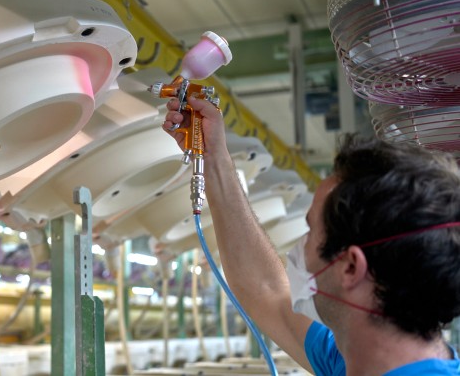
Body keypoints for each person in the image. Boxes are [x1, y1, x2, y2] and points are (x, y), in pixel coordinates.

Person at [163, 96, 460, 375]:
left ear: (351, 267)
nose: (299, 249)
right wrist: (213, 158)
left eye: (311, 231)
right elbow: (266, 289)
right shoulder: (354, 359)